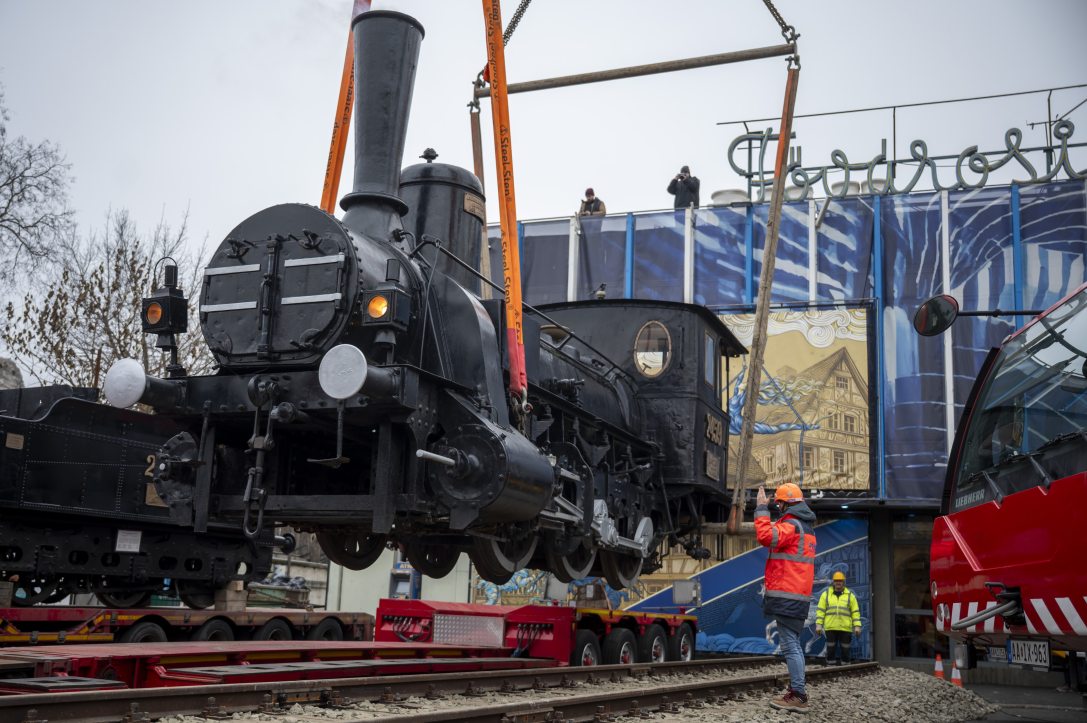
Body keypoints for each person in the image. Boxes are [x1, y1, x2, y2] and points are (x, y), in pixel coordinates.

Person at [756, 482, 817, 713]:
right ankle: (797, 692)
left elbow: (765, 536)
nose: (777, 506)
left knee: (791, 646)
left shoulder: (792, 525)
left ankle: (798, 695)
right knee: (793, 645)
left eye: (778, 503)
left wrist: (761, 509)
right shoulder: (805, 527)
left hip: (788, 595)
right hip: (796, 594)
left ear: (785, 504)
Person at [816, 571, 862, 665]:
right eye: (836, 580)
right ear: (833, 582)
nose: (838, 582)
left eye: (840, 580)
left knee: (846, 650)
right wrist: (818, 625)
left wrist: (857, 626)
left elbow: (855, 612)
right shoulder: (826, 595)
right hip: (830, 627)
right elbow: (820, 611)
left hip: (845, 628)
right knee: (831, 649)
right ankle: (831, 668)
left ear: (843, 582)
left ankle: (845, 668)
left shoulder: (850, 596)